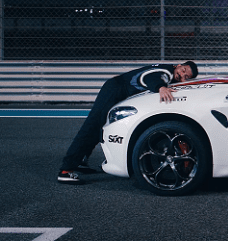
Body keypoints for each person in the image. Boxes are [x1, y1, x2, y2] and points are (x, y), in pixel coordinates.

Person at [57, 61, 199, 183]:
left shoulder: (166, 71)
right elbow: (152, 78)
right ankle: (66, 170)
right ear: (179, 65)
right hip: (115, 89)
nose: (182, 75)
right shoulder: (164, 72)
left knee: (100, 126)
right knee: (92, 127)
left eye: (186, 77)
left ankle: (81, 159)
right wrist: (160, 87)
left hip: (117, 90)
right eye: (183, 70)